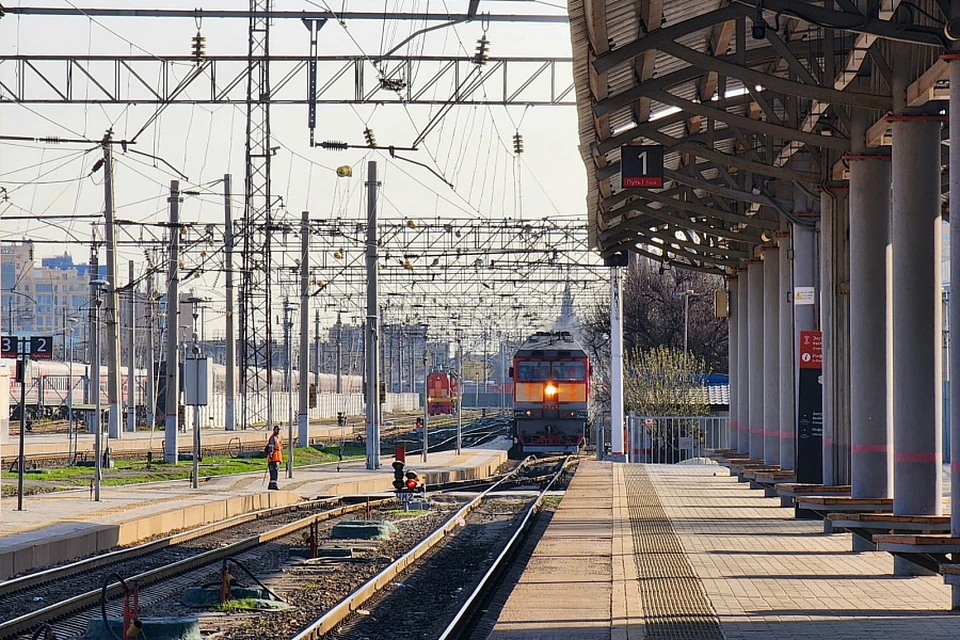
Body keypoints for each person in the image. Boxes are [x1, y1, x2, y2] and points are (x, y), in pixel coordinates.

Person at [265, 425, 282, 490]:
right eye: (277, 430)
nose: (278, 431)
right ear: (274, 430)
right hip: (273, 458)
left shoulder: (277, 438)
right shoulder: (272, 438)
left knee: (275, 472)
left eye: (278, 430)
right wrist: (271, 456)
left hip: (276, 458)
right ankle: (273, 485)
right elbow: (271, 448)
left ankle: (271, 484)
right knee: (274, 472)